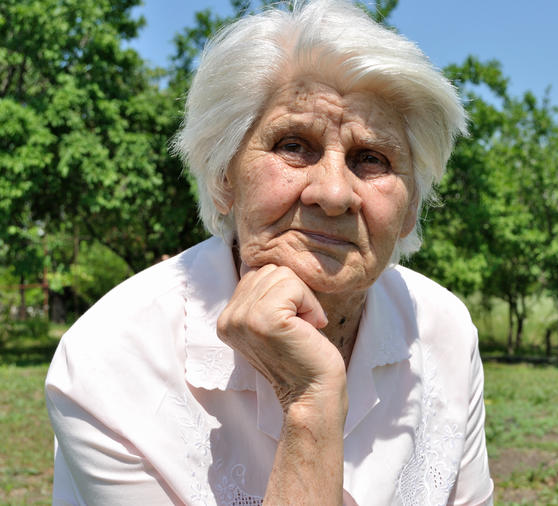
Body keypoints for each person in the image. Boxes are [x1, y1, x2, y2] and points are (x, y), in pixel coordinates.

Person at [45, 0, 494, 504]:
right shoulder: (113, 358)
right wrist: (311, 402)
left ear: (411, 207)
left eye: (372, 158)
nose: (334, 192)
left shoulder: (444, 329)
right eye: (294, 146)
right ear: (223, 179)